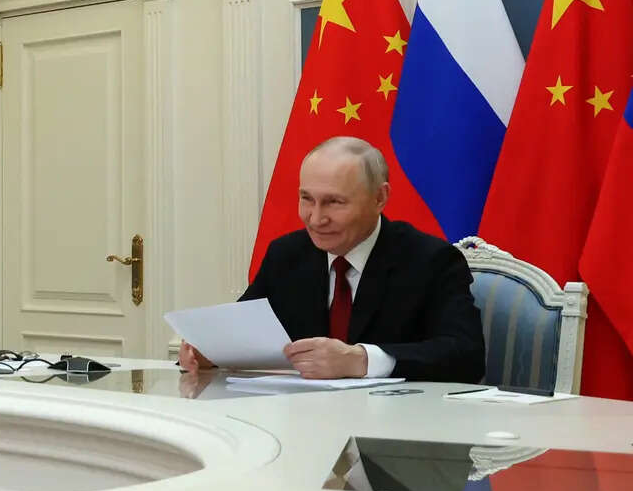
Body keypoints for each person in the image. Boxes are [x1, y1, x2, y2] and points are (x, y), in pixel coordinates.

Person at [180, 136, 484, 384]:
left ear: (380, 198)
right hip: (299, 430)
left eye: (334, 202)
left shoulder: (430, 260)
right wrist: (209, 352)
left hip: (395, 437)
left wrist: (361, 360)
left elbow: (465, 356)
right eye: (306, 199)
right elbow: (241, 331)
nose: (316, 218)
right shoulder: (286, 255)